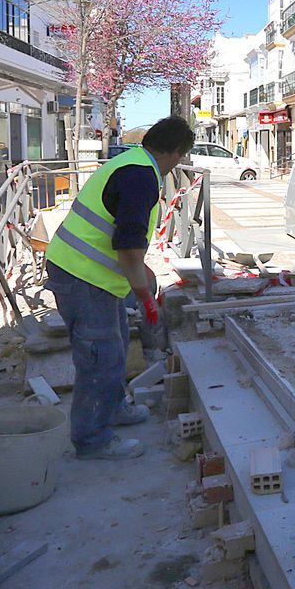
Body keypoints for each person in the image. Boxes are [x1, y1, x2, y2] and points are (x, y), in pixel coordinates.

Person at [44, 116, 195, 459]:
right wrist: (145, 297)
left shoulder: (133, 162)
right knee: (99, 357)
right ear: (175, 153)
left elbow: (128, 247)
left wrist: (140, 281)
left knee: (116, 344)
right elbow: (127, 248)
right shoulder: (141, 177)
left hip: (94, 275)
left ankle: (112, 410)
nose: (178, 165)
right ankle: (92, 439)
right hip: (81, 275)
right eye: (181, 157)